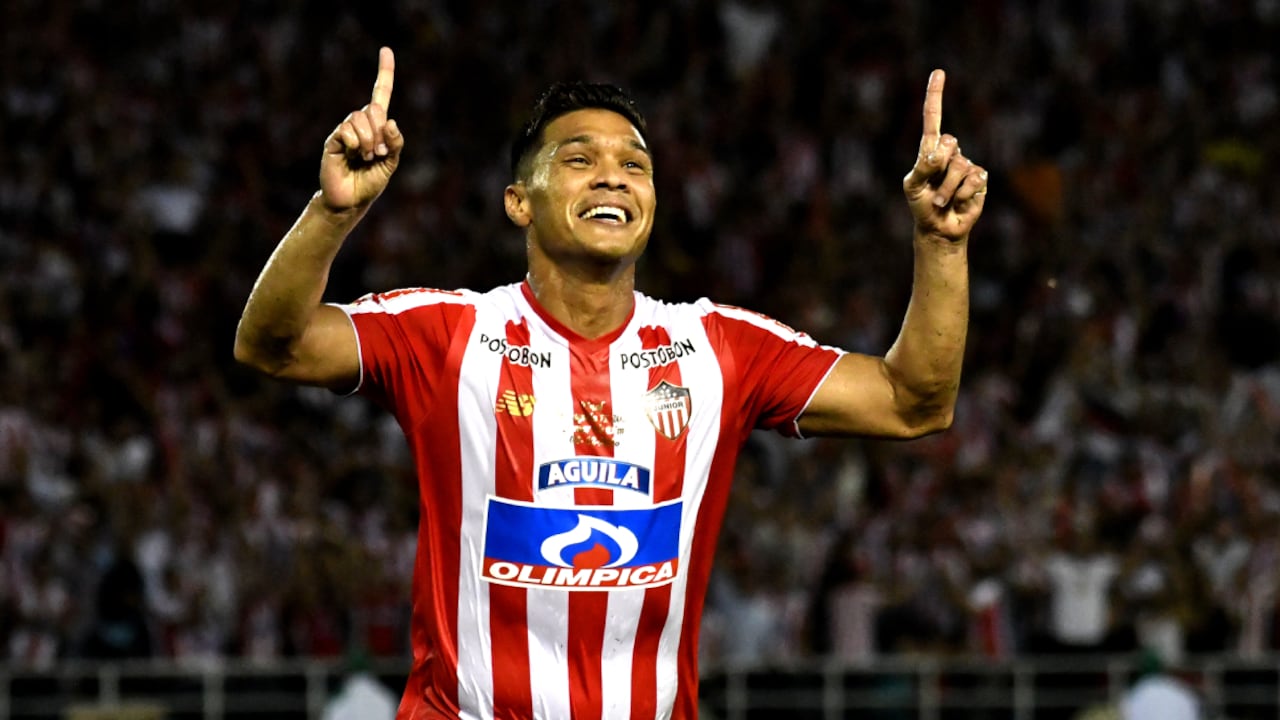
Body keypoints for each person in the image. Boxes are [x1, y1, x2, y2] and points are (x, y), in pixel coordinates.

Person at [234, 46, 987, 720]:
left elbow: (912, 401)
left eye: (635, 164)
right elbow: (275, 345)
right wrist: (332, 215)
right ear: (518, 202)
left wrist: (941, 244)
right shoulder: (448, 334)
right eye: (578, 158)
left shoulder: (717, 349)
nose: (612, 177)